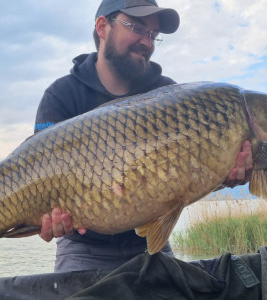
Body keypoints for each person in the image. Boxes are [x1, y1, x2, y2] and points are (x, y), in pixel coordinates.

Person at [33, 0, 253, 273]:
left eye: (152, 34)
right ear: (103, 26)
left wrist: (224, 176)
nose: (147, 42)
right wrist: (46, 218)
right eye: (137, 27)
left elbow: (187, 178)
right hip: (83, 248)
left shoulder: (170, 95)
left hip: (150, 244)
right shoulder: (61, 95)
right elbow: (38, 176)